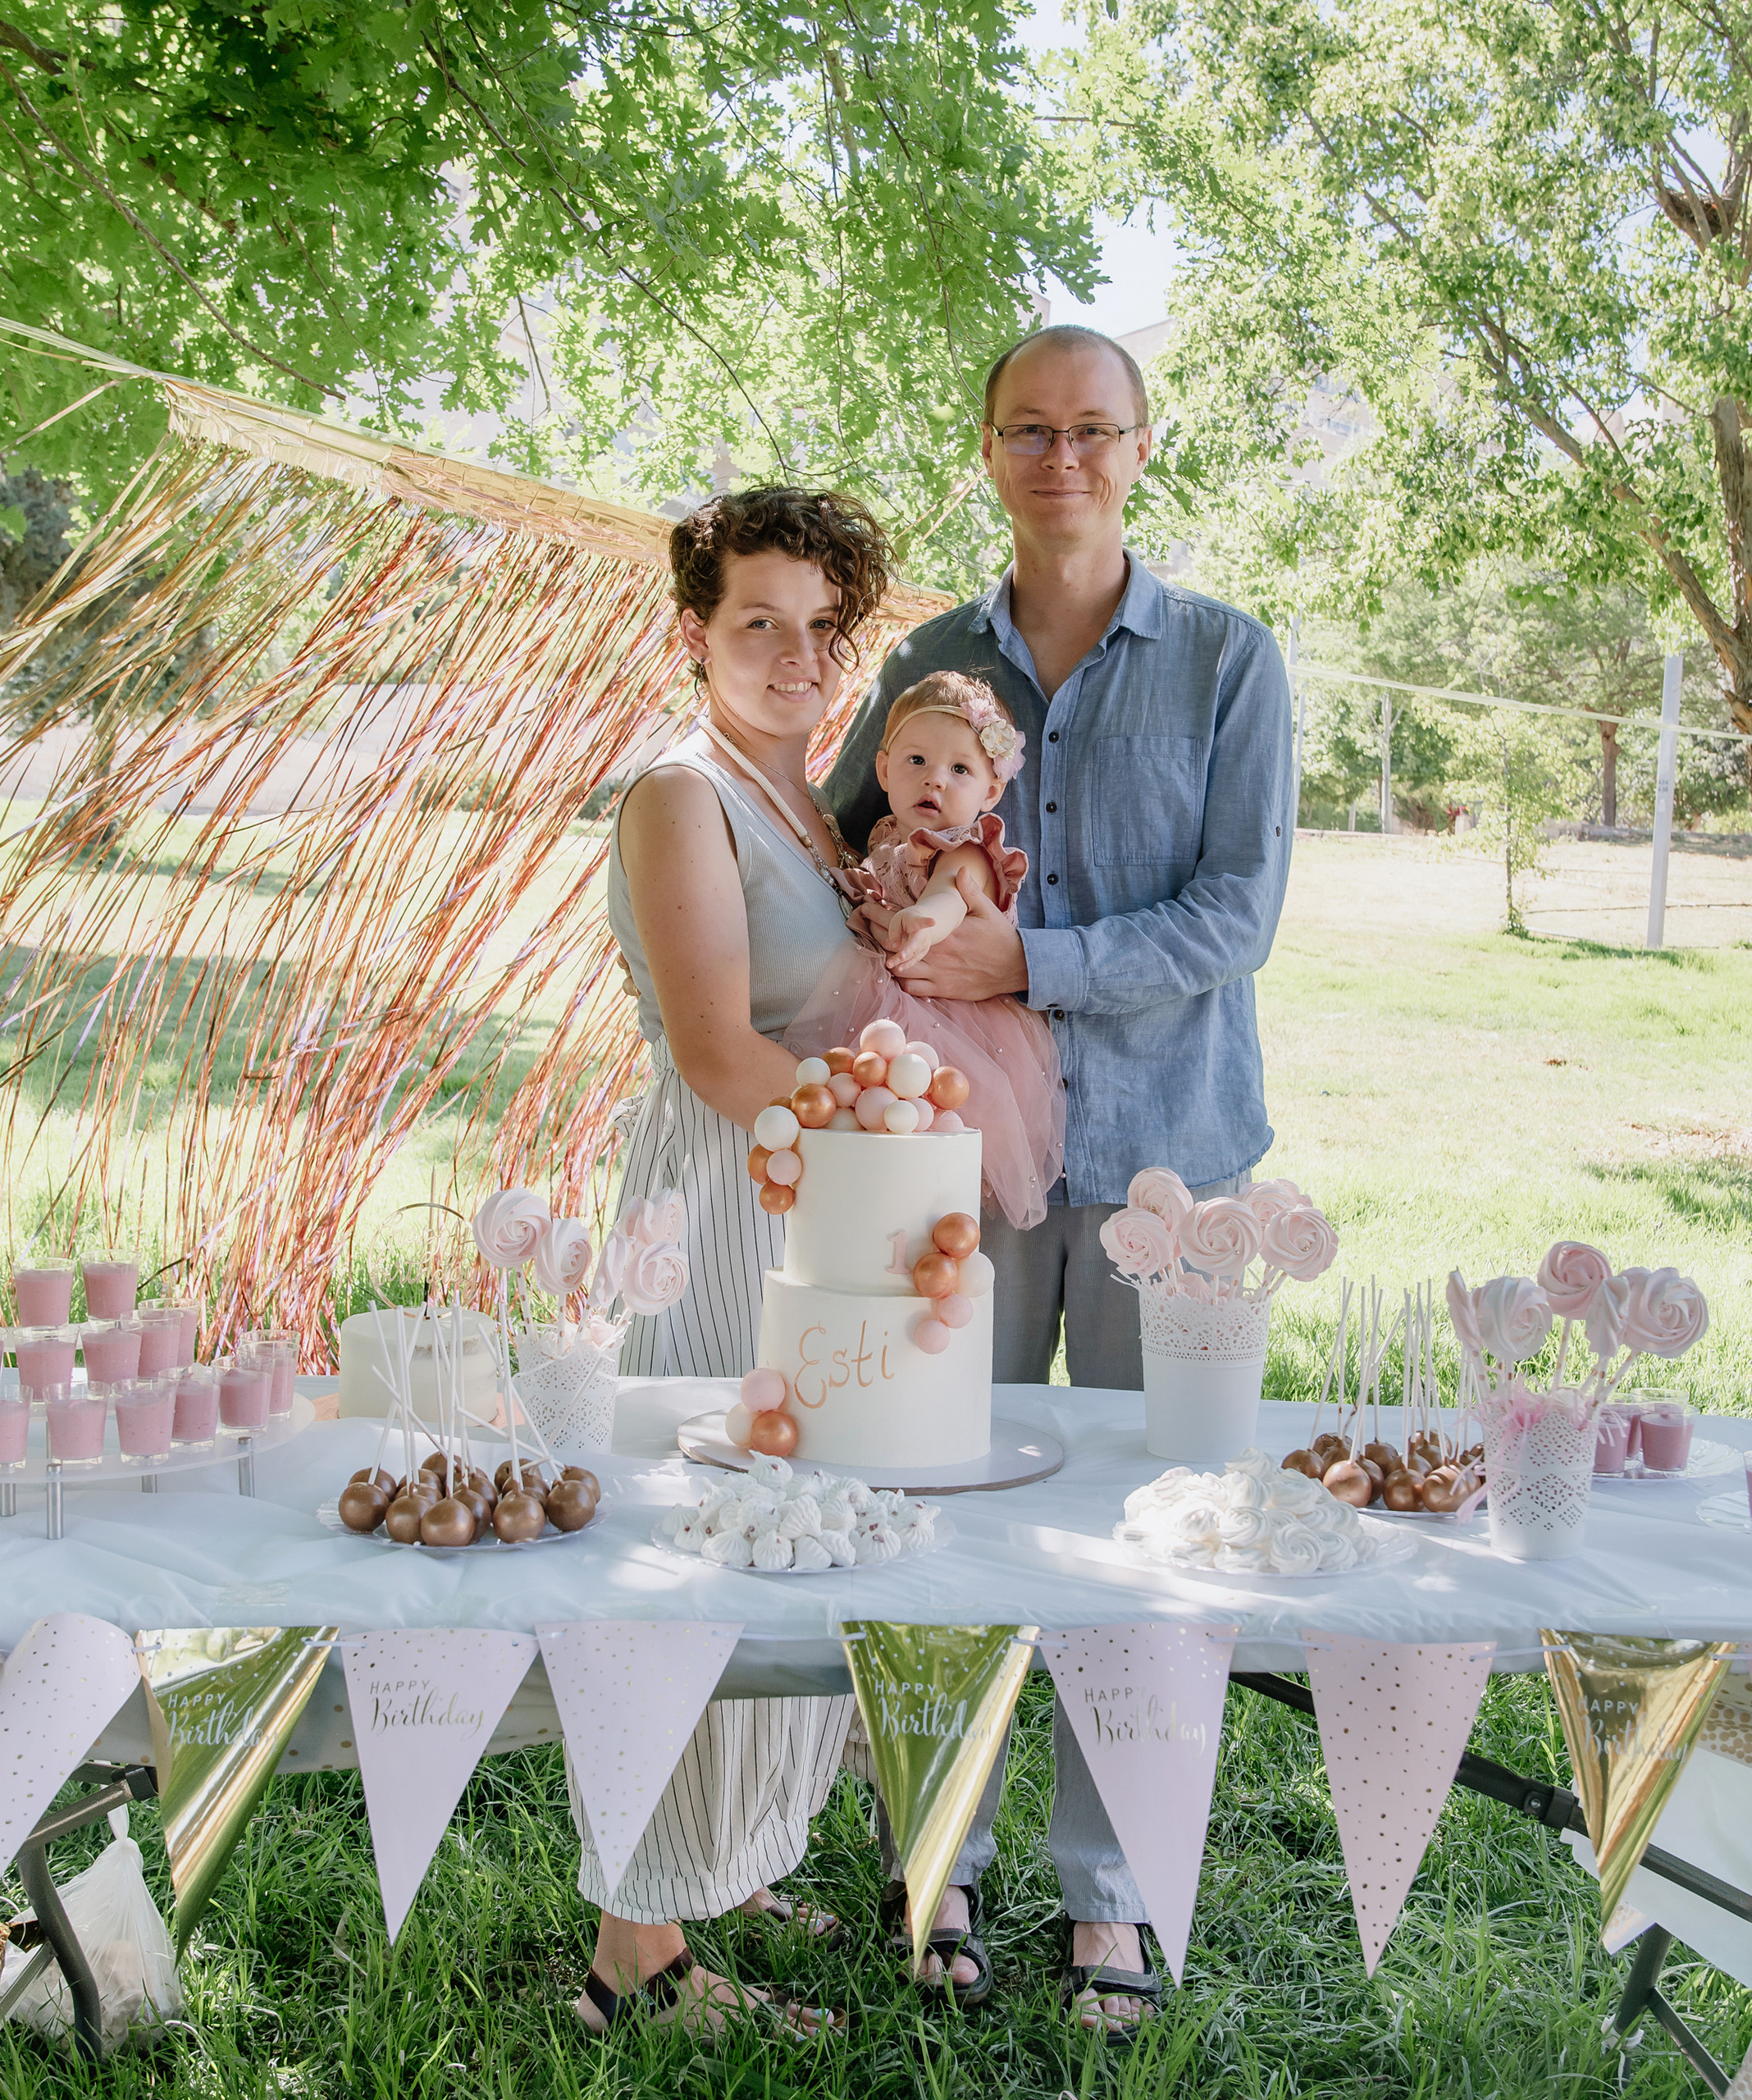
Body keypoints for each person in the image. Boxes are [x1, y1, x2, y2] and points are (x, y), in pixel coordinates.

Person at [824, 323, 1297, 2035]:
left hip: (1167, 1154)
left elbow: (1236, 912)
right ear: (985, 449)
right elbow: (833, 848)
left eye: (1091, 427)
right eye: (1027, 427)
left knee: (1157, 1522)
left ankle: (1107, 1893)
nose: (1061, 456)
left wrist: (1027, 955)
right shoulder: (928, 662)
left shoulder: (1230, 660)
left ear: (1142, 445)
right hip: (940, 1148)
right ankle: (933, 1857)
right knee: (920, 1490)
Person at [576, 484, 894, 2040]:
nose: (793, 655)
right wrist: (909, 1118)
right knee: (706, 1548)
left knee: (808, 1532)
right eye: (756, 622)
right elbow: (715, 1051)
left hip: (826, 1199)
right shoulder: (677, 792)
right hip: (724, 1198)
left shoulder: (815, 803)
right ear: (692, 633)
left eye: (823, 628)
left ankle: (740, 1855)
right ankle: (634, 1945)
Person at [785, 669, 1065, 1227]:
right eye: (917, 763)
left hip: (954, 1022)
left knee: (925, 1125)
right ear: (884, 769)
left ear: (990, 790)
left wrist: (921, 921)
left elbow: (950, 901)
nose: (934, 781)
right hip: (899, 1004)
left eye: (959, 770)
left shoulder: (966, 850)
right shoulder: (888, 836)